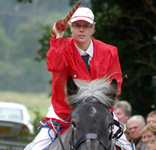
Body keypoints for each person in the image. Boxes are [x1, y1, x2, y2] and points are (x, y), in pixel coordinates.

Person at [25, 7, 131, 150]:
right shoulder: (61, 46)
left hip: (100, 115)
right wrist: (58, 37)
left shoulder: (109, 51)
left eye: (86, 26)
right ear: (71, 28)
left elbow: (116, 85)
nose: (82, 30)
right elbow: (54, 66)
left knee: (128, 147)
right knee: (35, 148)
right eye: (77, 26)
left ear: (93, 28)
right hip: (62, 114)